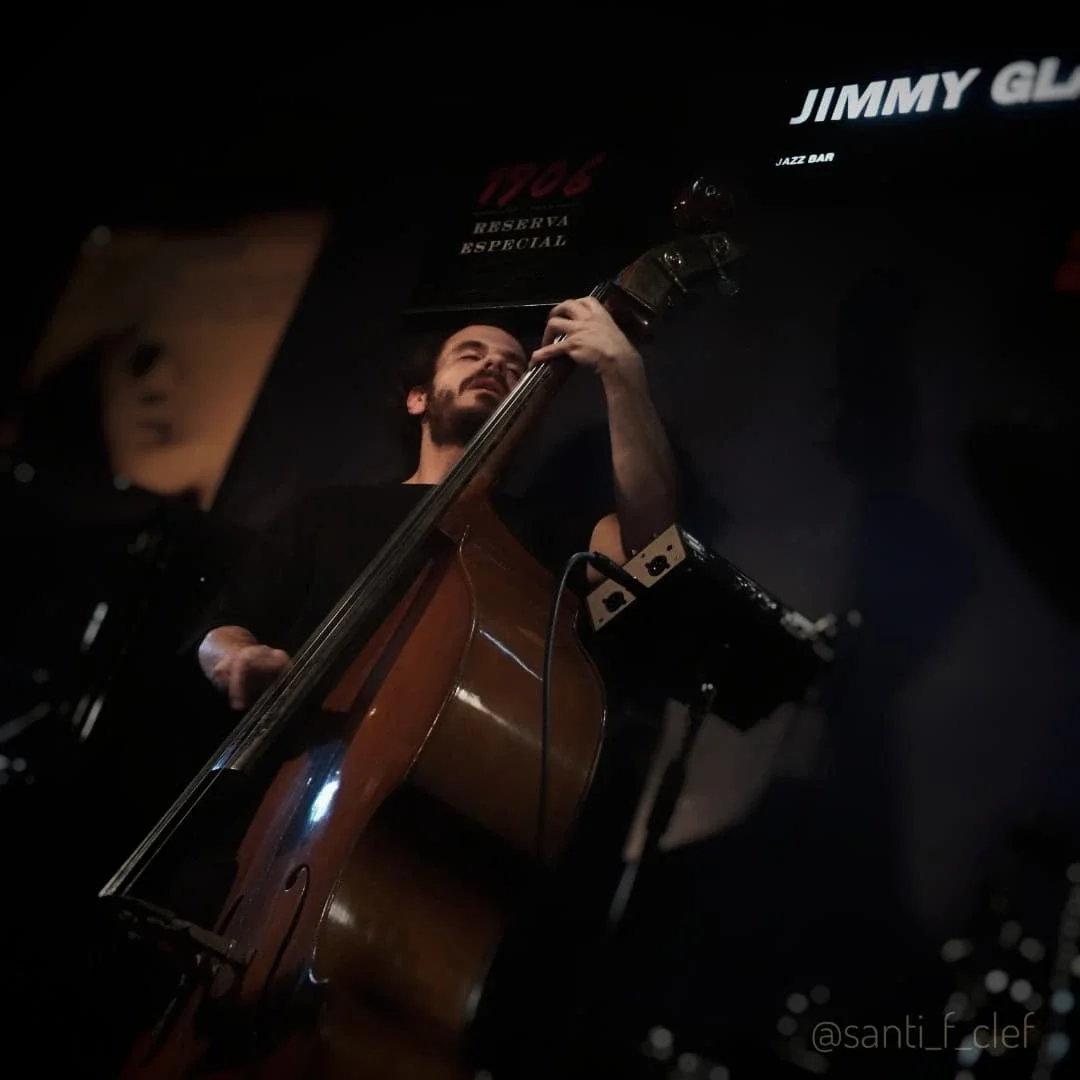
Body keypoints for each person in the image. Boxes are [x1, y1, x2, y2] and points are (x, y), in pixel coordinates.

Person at [197, 296, 679, 710]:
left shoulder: (541, 530)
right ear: (418, 399)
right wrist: (235, 659)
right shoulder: (324, 512)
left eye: (515, 370)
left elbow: (653, 548)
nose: (494, 366)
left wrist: (622, 370)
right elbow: (222, 628)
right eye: (471, 355)